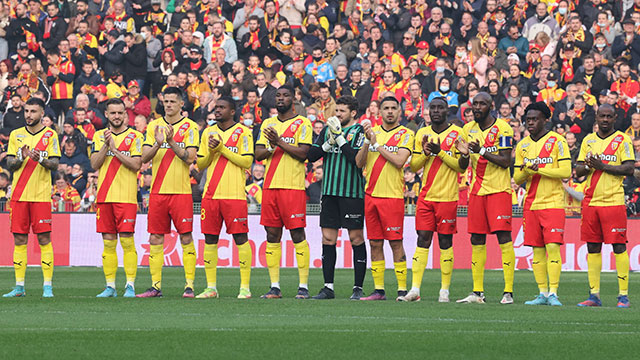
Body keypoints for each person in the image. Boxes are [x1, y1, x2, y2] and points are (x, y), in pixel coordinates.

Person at [400, 97, 468, 303]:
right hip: (426, 197)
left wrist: (441, 153)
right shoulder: (422, 133)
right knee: (422, 239)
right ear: (429, 112)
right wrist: (427, 154)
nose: (436, 111)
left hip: (447, 197)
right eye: (433, 108)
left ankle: (444, 291)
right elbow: (414, 166)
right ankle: (415, 290)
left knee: (445, 242)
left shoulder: (458, 133)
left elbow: (461, 166)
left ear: (447, 110)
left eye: (440, 108)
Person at [137, 87, 200, 298]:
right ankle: (155, 286)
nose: (169, 104)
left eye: (174, 101)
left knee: (186, 237)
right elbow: (144, 157)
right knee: (155, 237)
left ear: (182, 104)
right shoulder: (154, 126)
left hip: (181, 192)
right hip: (158, 192)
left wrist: (171, 142)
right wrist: (158, 143)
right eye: (166, 101)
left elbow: (190, 158)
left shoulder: (190, 127)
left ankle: (189, 286)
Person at [457, 92, 516, 305]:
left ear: (491, 106)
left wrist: (480, 150)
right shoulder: (467, 129)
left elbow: (506, 161)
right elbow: (464, 165)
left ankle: (508, 291)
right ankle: (477, 292)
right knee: (476, 239)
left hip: (499, 191)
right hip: (476, 192)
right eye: (475, 104)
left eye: (482, 104)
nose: (477, 108)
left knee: (503, 237)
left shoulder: (503, 128)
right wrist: (464, 155)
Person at [307, 96, 367, 300]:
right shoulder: (327, 129)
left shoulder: (359, 131)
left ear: (353, 113)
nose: (337, 114)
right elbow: (312, 156)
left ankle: (358, 288)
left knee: (356, 238)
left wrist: (339, 138)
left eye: (342, 111)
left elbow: (355, 159)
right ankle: (328, 287)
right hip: (329, 192)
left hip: (352, 193)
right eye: (336, 110)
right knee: (327, 238)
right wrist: (327, 143)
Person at [255, 85, 312, 299]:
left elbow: (303, 153)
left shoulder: (302, 123)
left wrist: (278, 142)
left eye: (285, 95)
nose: (280, 98)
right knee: (272, 235)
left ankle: (303, 286)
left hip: (293, 187)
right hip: (270, 187)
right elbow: (259, 153)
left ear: (294, 99)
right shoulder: (267, 124)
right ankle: (275, 286)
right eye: (278, 95)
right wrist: (271, 146)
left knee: (297, 234)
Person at [355, 96, 414, 301]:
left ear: (399, 112)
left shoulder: (406, 134)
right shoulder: (372, 133)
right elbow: (359, 163)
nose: (389, 111)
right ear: (379, 112)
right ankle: (379, 290)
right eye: (386, 108)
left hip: (392, 196)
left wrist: (377, 144)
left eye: (393, 108)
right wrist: (366, 142)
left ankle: (402, 290)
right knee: (375, 243)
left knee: (395, 242)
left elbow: (399, 161)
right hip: (371, 196)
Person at [575, 104, 634, 308]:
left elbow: (629, 168)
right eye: (602, 116)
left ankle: (623, 296)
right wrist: (588, 166)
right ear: (597, 118)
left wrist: (603, 166)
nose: (606, 120)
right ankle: (594, 295)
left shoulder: (622, 140)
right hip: (590, 201)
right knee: (593, 247)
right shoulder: (588, 140)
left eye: (609, 116)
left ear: (615, 118)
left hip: (613, 201)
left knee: (618, 246)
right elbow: (578, 170)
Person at [195, 97, 254, 299]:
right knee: (210, 239)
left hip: (234, 195)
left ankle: (245, 287)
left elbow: (247, 160)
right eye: (216, 107)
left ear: (232, 111)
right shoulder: (208, 132)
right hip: (210, 195)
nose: (217, 110)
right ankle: (211, 288)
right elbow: (201, 164)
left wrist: (222, 149)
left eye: (222, 107)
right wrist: (212, 152)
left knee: (240, 238)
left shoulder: (243, 132)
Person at [513, 102, 571, 306]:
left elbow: (565, 172)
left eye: (534, 119)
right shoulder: (522, 146)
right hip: (530, 204)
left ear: (545, 120)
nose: (530, 123)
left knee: (553, 247)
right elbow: (517, 178)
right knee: (536, 250)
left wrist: (539, 170)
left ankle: (554, 292)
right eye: (527, 120)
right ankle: (542, 293)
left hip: (553, 202)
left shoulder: (557, 141)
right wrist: (528, 171)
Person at [3, 97, 61, 298]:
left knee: (44, 238)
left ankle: (47, 286)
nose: (28, 115)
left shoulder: (50, 135)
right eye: (27, 111)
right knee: (19, 239)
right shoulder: (15, 135)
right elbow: (10, 163)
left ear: (42, 113)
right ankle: (19, 286)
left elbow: (55, 164)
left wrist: (41, 158)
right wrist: (20, 157)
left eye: (33, 111)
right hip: (19, 196)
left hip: (41, 196)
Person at [90, 98, 144, 298]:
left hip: (126, 197)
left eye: (120, 112)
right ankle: (110, 286)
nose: (117, 116)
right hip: (104, 197)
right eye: (113, 113)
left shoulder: (135, 136)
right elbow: (95, 164)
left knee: (127, 241)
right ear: (106, 114)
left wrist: (115, 149)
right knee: (108, 242)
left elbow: (136, 164)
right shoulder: (98, 136)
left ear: (125, 114)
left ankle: (130, 284)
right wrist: (106, 146)